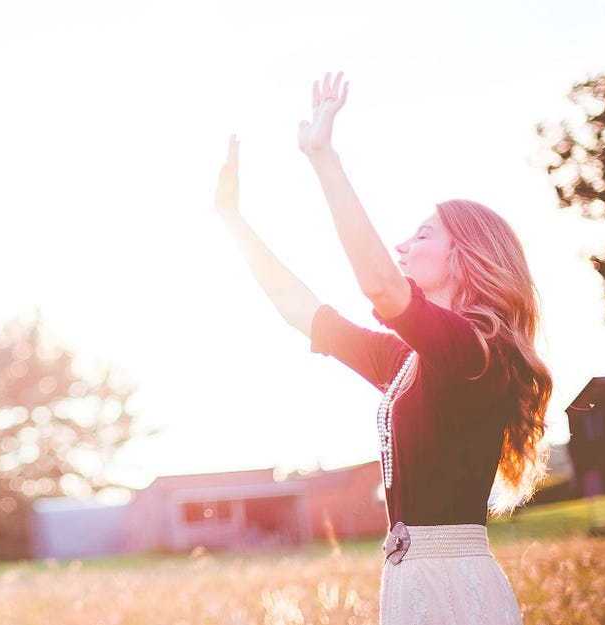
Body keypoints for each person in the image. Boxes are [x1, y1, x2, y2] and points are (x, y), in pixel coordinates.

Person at [213, 72, 551, 624]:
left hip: (453, 590)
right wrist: (233, 221)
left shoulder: (477, 354)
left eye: (423, 234)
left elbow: (381, 288)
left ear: (466, 256)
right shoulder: (408, 363)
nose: (402, 245)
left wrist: (323, 156)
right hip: (409, 581)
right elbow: (304, 312)